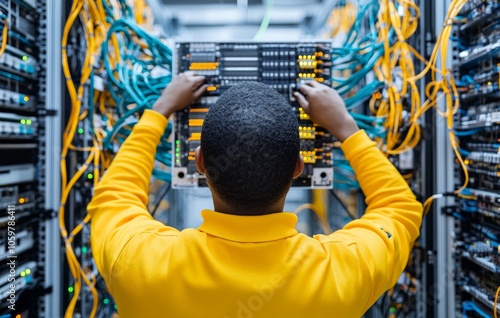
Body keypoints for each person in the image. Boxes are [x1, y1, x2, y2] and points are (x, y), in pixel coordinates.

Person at [88, 73, 422, 318]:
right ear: (297, 168)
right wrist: (346, 128)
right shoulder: (343, 273)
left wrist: (159, 111)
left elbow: (114, 197)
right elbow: (400, 209)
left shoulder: (137, 265)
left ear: (201, 162)